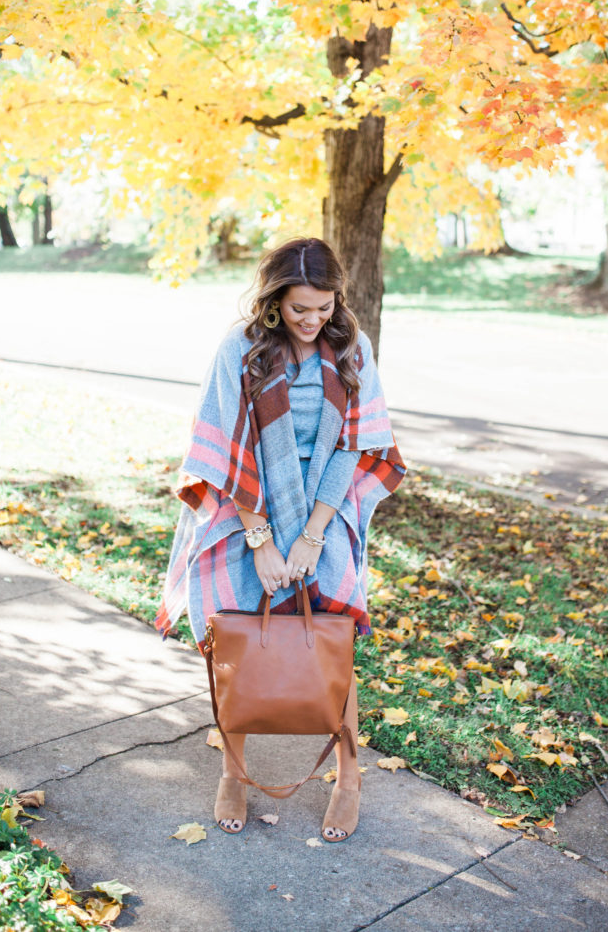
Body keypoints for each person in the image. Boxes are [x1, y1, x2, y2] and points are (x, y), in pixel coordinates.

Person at [155, 237, 405, 841]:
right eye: (300, 310)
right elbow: (223, 450)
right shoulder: (240, 350)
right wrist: (261, 539)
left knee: (334, 635)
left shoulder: (351, 346)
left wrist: (314, 536)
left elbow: (353, 446)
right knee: (232, 635)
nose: (313, 320)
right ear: (273, 302)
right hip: (245, 511)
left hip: (324, 509)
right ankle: (234, 771)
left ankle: (348, 778)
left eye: (324, 307)